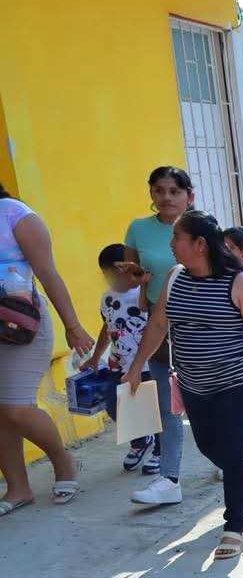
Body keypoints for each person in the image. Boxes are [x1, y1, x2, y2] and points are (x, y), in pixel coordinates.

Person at [123, 210, 243, 559]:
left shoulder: (240, 283)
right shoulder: (175, 278)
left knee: (232, 453)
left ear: (200, 244)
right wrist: (135, 368)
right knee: (210, 449)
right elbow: (159, 325)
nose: (171, 244)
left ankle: (234, 526)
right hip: (193, 384)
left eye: (177, 238)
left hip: (236, 383)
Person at [0, 186, 95, 518]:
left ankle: (64, 462)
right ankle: (18, 488)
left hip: (19, 327)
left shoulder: (15, 215)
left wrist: (73, 325)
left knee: (15, 409)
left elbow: (48, 274)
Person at [124, 165, 194, 506]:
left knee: (210, 401)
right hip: (157, 323)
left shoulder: (202, 228)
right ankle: (169, 479)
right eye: (159, 190)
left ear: (188, 196)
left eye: (174, 191)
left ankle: (234, 464)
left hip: (201, 325)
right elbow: (128, 277)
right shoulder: (138, 229)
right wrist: (137, 278)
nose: (166, 197)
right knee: (167, 406)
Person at [83, 246, 154, 473]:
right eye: (105, 275)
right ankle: (141, 440)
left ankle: (161, 451)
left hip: (147, 362)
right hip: (118, 362)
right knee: (117, 407)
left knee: (153, 409)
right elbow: (108, 326)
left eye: (111, 273)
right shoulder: (108, 297)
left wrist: (144, 283)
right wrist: (95, 357)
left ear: (127, 270)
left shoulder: (145, 293)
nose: (108, 279)